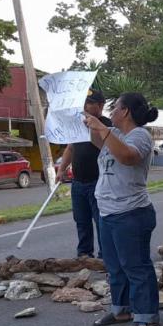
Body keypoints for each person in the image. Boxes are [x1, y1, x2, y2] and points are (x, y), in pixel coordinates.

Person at [83, 92, 161, 326]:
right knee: (114, 266)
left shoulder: (140, 135)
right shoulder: (113, 134)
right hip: (108, 211)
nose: (111, 112)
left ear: (126, 111)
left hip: (131, 213)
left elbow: (128, 157)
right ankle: (121, 309)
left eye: (115, 107)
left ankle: (147, 316)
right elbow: (95, 139)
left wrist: (102, 128)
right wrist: (83, 115)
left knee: (136, 266)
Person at [57, 88, 111, 258]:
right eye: (84, 103)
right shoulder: (77, 124)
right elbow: (70, 148)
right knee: (81, 221)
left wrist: (92, 128)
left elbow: (107, 147)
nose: (85, 107)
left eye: (89, 103)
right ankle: (84, 254)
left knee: (101, 221)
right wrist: (61, 168)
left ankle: (105, 256)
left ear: (100, 105)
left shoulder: (106, 125)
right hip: (78, 182)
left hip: (99, 181)